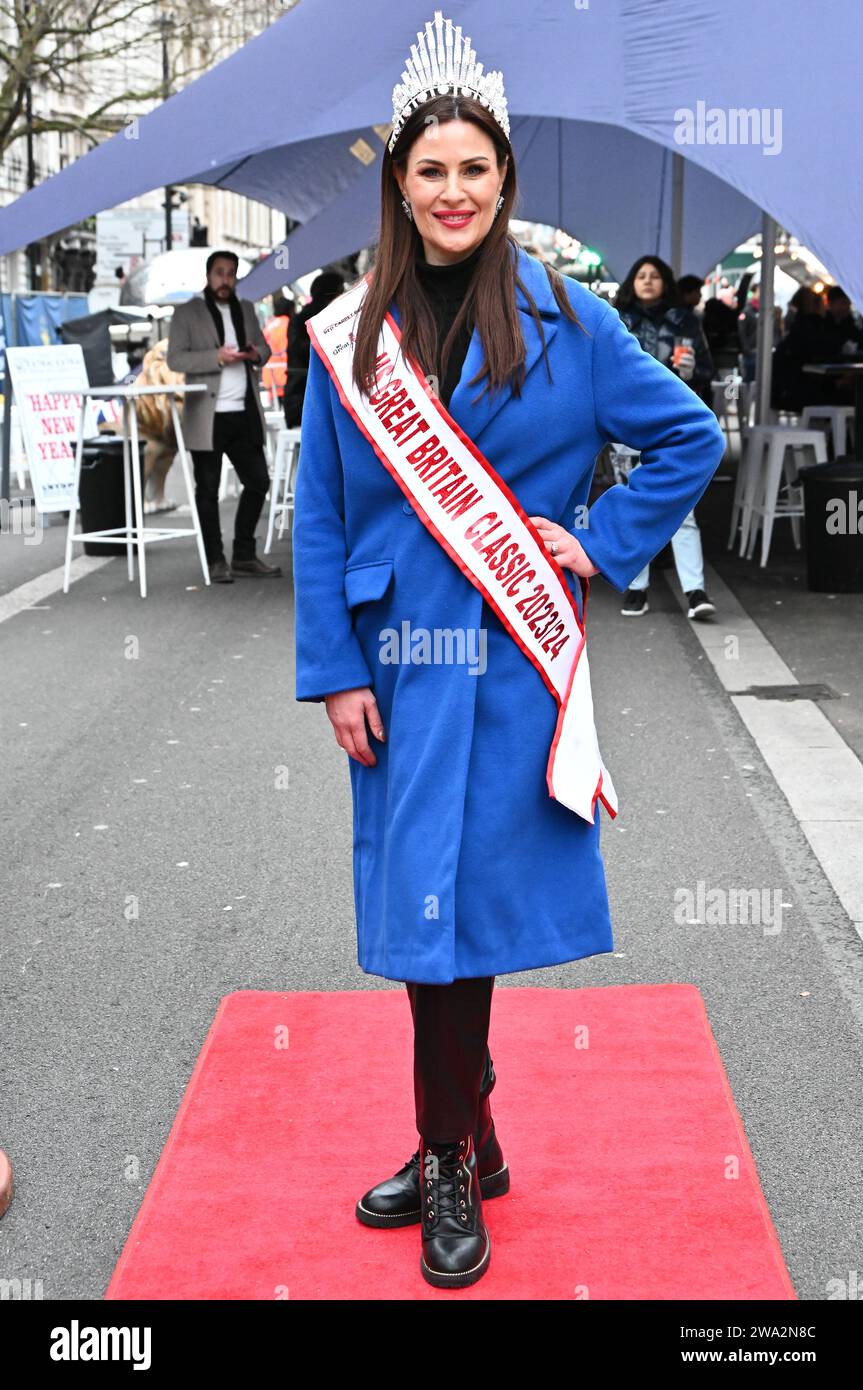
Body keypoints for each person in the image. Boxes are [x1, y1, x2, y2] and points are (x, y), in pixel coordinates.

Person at [292, 7, 724, 1291]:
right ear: (397, 185)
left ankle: (443, 1154)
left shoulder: (568, 318)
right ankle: (467, 1140)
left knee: (456, 922)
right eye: (429, 170)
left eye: (474, 168)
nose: (452, 189)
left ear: (503, 182)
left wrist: (591, 538)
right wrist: (332, 668)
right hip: (395, 669)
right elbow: (317, 511)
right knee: (424, 915)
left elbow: (688, 436)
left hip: (508, 670)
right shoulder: (347, 333)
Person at [167, 250, 281, 582]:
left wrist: (253, 353)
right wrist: (215, 357)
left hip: (244, 412)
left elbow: (264, 348)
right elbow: (175, 359)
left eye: (230, 273)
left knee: (258, 481)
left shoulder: (245, 309)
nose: (225, 279)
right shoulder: (188, 313)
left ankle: (244, 554)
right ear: (208, 276)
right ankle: (215, 559)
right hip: (208, 415)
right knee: (208, 490)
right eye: (219, 273)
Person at [613, 255, 717, 619]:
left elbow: (707, 367)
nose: (647, 281)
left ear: (665, 281)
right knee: (633, 503)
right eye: (640, 275)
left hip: (673, 417)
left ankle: (695, 590)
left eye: (654, 275)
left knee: (683, 508)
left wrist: (692, 369)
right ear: (631, 281)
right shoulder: (617, 319)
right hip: (626, 420)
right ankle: (637, 587)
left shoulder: (685, 318)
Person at [283, 272, 345, 427]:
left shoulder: (333, 317)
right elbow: (301, 350)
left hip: (323, 399)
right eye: (340, 290)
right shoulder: (305, 319)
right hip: (303, 401)